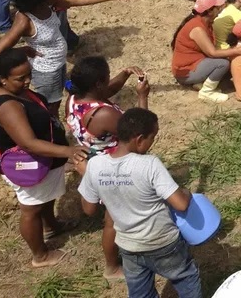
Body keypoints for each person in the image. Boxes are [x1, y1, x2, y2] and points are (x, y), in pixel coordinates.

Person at [78, 108, 202, 298]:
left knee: (140, 293)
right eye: (153, 137)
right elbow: (181, 204)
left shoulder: (95, 166)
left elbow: (88, 208)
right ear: (139, 139)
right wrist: (185, 192)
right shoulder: (149, 164)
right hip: (162, 242)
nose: (153, 143)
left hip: (129, 247)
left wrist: (85, 175)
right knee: (186, 278)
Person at [0, 49, 88, 268]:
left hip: (43, 162)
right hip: (30, 165)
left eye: (28, 74)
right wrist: (68, 152)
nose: (27, 81)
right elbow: (29, 143)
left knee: (43, 199)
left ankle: (51, 225)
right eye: (20, 78)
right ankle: (40, 255)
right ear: (2, 79)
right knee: (31, 209)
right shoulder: (8, 107)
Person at [0, 0, 142, 117]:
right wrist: (20, 51)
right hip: (46, 72)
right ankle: (52, 129)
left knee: (57, 99)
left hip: (59, 64)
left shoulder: (49, 3)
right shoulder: (25, 20)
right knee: (50, 106)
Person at [65, 56, 149, 280]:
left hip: (94, 161)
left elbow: (104, 93)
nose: (110, 80)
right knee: (112, 220)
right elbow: (139, 137)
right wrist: (142, 97)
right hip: (113, 171)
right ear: (97, 84)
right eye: (107, 77)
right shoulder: (105, 114)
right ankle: (112, 267)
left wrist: (125, 75)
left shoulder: (74, 100)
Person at [171, 0, 241, 103]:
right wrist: (237, 50)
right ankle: (207, 91)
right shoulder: (198, 29)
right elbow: (212, 53)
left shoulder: (205, 24)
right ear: (210, 11)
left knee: (227, 62)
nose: (220, 9)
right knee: (223, 64)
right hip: (186, 70)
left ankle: (201, 82)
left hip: (197, 63)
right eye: (217, 7)